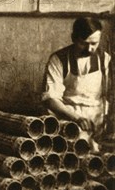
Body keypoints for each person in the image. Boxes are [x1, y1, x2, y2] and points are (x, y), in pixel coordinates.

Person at [43, 17, 110, 145]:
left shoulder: (105, 59)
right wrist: (76, 118)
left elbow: (110, 95)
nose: (90, 49)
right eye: (84, 43)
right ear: (74, 38)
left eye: (94, 43)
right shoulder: (59, 59)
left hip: (97, 115)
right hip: (68, 114)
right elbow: (50, 99)